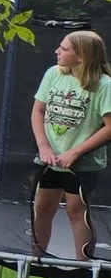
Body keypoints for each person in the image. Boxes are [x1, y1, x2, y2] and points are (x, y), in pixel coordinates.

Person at [32, 29, 111, 259]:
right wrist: (43, 146)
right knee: (42, 208)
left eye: (64, 49)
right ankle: (36, 260)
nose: (57, 51)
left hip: (82, 165)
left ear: (82, 56)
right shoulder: (54, 73)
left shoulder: (104, 85)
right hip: (50, 160)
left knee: (77, 212)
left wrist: (76, 152)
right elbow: (38, 110)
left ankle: (83, 267)